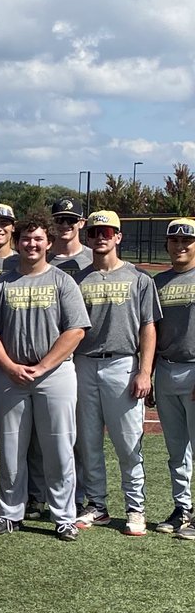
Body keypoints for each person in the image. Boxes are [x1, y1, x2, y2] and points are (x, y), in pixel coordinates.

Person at [0, 211, 90, 540]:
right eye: (26, 238)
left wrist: (42, 367)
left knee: (59, 446)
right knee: (11, 446)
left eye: (39, 238)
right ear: (18, 242)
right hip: (9, 374)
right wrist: (10, 367)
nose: (32, 243)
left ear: (49, 243)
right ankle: (11, 512)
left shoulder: (61, 280)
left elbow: (76, 331)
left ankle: (64, 516)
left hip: (54, 374)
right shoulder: (1, 284)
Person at [71, 210, 159, 536]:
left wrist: (145, 371)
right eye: (95, 232)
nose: (102, 237)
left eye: (108, 232)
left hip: (123, 365)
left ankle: (135, 508)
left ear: (119, 237)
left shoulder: (139, 278)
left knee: (128, 443)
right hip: (84, 363)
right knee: (88, 442)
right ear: (88, 238)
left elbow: (149, 327)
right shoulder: (78, 280)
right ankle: (97, 504)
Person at [153, 217, 195, 537]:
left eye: (187, 241)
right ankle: (183, 508)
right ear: (167, 244)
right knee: (176, 448)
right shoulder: (159, 282)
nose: (181, 246)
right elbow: (152, 331)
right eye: (175, 241)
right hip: (166, 369)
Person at [48, 198, 92, 277]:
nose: (65, 225)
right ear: (52, 222)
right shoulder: (43, 260)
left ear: (81, 223)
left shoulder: (93, 258)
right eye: (59, 220)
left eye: (71, 220)